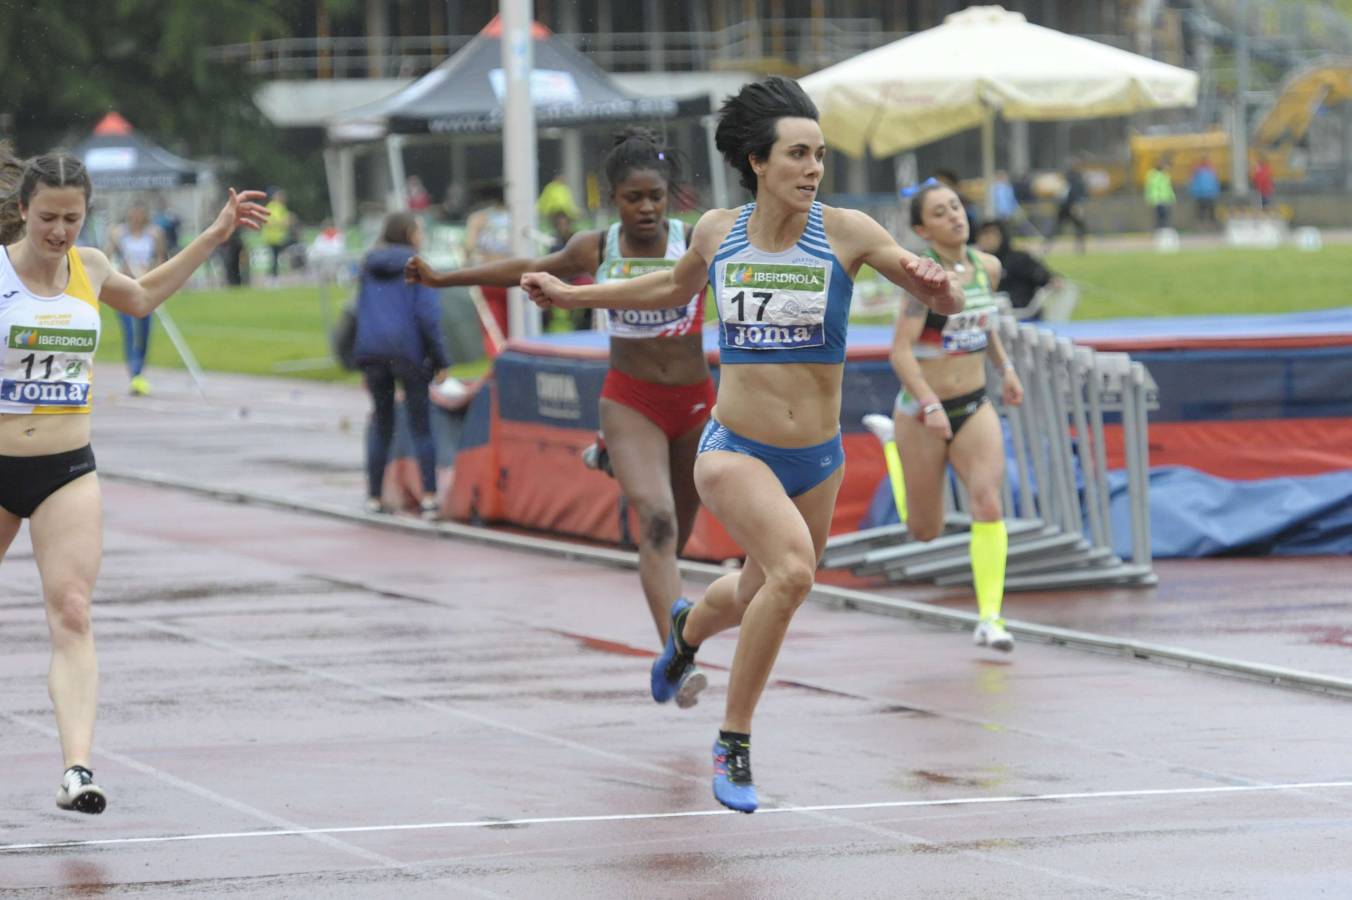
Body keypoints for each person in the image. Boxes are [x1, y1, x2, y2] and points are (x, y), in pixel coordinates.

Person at [520, 77, 962, 813]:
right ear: (758, 161)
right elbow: (669, 288)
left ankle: (686, 630)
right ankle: (734, 740)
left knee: (757, 589)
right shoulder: (718, 232)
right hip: (733, 449)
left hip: (817, 457)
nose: (813, 169)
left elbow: (933, 294)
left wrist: (940, 290)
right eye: (797, 154)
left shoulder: (850, 232)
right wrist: (571, 297)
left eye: (820, 155)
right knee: (792, 575)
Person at [0, 144, 266, 814]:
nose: (59, 232)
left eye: (72, 218)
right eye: (47, 219)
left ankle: (78, 770)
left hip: (66, 469)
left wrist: (215, 232)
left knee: (73, 610)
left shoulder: (88, 267)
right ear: (22, 212)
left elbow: (143, 298)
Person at [407, 129, 715, 707]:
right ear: (612, 200)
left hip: (695, 405)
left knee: (681, 531)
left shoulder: (695, 241)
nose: (646, 208)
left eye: (655, 196)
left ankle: (609, 455)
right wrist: (444, 279)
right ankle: (676, 656)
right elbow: (526, 269)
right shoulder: (596, 249)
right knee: (656, 522)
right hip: (632, 400)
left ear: (669, 196)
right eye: (633, 199)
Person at [892, 182, 1025, 656]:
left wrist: (1005, 369)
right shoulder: (922, 278)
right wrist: (927, 402)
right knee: (923, 530)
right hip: (921, 411)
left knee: (988, 503)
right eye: (940, 212)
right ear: (922, 229)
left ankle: (991, 618)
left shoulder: (986, 267)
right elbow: (900, 351)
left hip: (973, 403)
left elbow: (984, 326)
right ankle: (894, 445)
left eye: (956, 207)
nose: (955, 216)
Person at [354, 213, 450, 519]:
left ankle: (373, 496)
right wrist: (439, 359)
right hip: (408, 350)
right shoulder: (416, 266)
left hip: (374, 351)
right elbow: (427, 316)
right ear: (409, 233)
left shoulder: (368, 265)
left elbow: (360, 310)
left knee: (382, 424)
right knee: (421, 424)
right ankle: (430, 497)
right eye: (420, 230)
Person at [104, 202, 166, 396]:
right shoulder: (119, 234)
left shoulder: (154, 234)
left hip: (146, 287)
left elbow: (161, 259)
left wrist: (150, 272)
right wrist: (121, 270)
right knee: (130, 332)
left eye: (139, 214)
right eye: (132, 214)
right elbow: (106, 258)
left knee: (145, 332)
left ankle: (140, 372)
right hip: (125, 288)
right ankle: (135, 375)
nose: (136, 218)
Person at [462, 185, 512, 354]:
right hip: (513, 276)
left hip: (492, 277)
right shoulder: (517, 216)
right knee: (511, 328)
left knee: (494, 329)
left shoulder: (479, 218)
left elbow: (468, 249)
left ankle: (499, 367)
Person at [974, 219, 1056, 317]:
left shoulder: (1018, 259)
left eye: (992, 234)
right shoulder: (973, 262)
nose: (987, 238)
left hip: (1018, 313)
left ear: (1002, 236)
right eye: (983, 234)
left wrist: (1052, 280)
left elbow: (1044, 277)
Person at [1044, 159, 1089, 254]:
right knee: (1079, 226)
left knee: (1057, 227)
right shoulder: (1076, 178)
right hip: (1071, 206)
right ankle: (1080, 247)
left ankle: (1047, 245)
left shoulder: (1065, 178)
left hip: (1063, 206)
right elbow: (1077, 193)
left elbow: (1060, 194)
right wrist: (1076, 205)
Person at [261, 188, 295, 279]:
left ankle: (274, 276)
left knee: (277, 257)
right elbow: (268, 222)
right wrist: (281, 223)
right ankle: (273, 277)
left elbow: (287, 221)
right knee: (274, 258)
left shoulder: (282, 207)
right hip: (272, 238)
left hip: (280, 237)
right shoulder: (270, 207)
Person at [1144, 160, 1176, 231]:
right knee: (1160, 217)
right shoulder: (1153, 175)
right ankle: (1160, 230)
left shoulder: (1165, 175)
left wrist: (1172, 197)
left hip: (1165, 199)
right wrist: (1149, 198)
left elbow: (1168, 187)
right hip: (1157, 199)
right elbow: (1150, 188)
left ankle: (1163, 230)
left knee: (1165, 216)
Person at [1189, 157, 1220, 228]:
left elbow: (1215, 183)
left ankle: (1210, 224)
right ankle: (1201, 225)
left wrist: (1216, 192)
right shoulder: (1198, 172)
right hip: (1201, 194)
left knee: (1210, 211)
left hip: (1209, 194)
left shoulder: (1211, 172)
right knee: (1201, 211)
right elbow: (1194, 183)